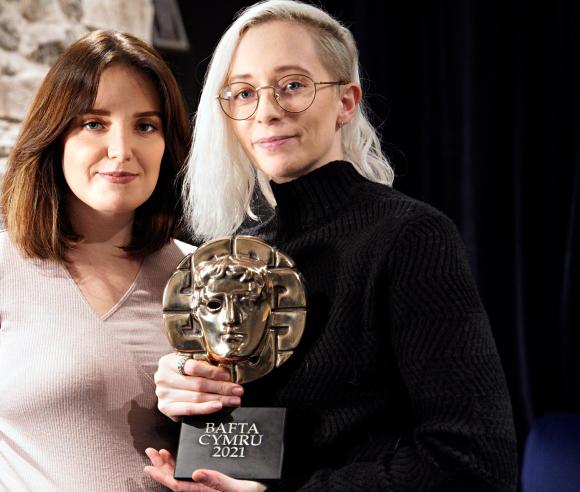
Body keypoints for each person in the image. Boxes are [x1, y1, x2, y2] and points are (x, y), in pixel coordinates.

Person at [144, 1, 518, 491]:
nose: (268, 110)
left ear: (346, 102)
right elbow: (247, 446)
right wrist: (185, 391)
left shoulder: (411, 238)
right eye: (243, 93)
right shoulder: (233, 252)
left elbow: (475, 464)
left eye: (293, 85)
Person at [0, 29, 192, 491]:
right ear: (55, 135)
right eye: (94, 123)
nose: (121, 150)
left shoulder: (204, 277)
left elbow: (239, 448)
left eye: (146, 126)